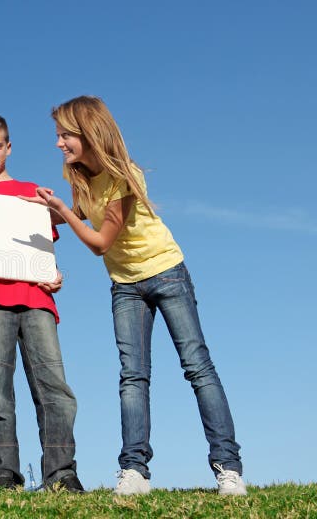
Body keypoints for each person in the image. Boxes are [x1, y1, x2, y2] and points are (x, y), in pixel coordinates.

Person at [28, 95, 246, 496]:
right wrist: (33, 210)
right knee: (133, 377)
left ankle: (228, 468)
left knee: (197, 367)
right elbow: (74, 216)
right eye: (58, 135)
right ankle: (134, 472)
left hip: (166, 273)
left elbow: (99, 241)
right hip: (125, 284)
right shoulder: (79, 177)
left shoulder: (124, 175)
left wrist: (63, 209)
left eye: (65, 134)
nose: (59, 143)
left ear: (88, 132)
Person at [0, 114, 83, 492]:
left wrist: (55, 274)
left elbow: (43, 250)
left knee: (54, 388)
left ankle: (61, 471)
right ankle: (3, 471)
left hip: (36, 299)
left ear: (9, 147)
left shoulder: (32, 194)